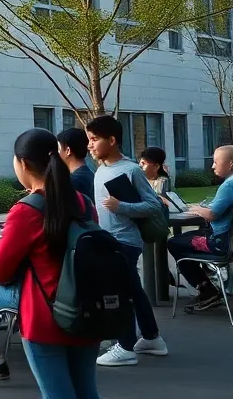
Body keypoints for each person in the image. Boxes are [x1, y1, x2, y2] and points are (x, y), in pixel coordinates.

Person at [0, 128, 102, 395]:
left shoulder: (26, 210)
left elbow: (1, 272)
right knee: (86, 391)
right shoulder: (83, 202)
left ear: (23, 164)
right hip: (86, 307)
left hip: (45, 312)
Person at [86, 114, 168, 366]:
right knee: (133, 289)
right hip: (110, 240)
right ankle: (152, 338)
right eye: (88, 139)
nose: (90, 144)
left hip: (124, 241)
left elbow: (153, 205)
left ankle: (125, 346)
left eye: (94, 139)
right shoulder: (101, 169)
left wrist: (121, 206)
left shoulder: (131, 169)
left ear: (112, 140)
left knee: (119, 292)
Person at [167, 144, 233, 312]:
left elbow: (212, 214)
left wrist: (195, 208)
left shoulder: (229, 185)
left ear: (230, 164)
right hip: (226, 240)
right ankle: (209, 284)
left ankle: (207, 290)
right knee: (187, 239)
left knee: (174, 243)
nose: (212, 166)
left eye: (216, 162)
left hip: (219, 243)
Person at [57, 128, 95, 202]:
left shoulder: (72, 182)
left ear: (68, 151)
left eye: (58, 149)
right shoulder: (91, 174)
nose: (57, 153)